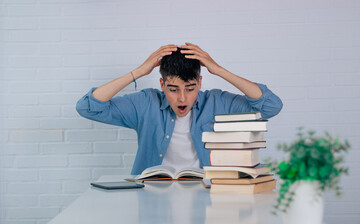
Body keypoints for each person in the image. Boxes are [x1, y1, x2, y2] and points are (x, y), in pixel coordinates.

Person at [76, 43, 283, 175]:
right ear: (162, 84)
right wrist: (140, 71)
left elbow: (271, 106)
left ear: (200, 83)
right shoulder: (146, 103)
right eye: (173, 89)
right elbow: (88, 107)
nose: (182, 98)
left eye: (190, 88)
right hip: (151, 194)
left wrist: (218, 70)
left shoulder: (216, 102)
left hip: (205, 193)